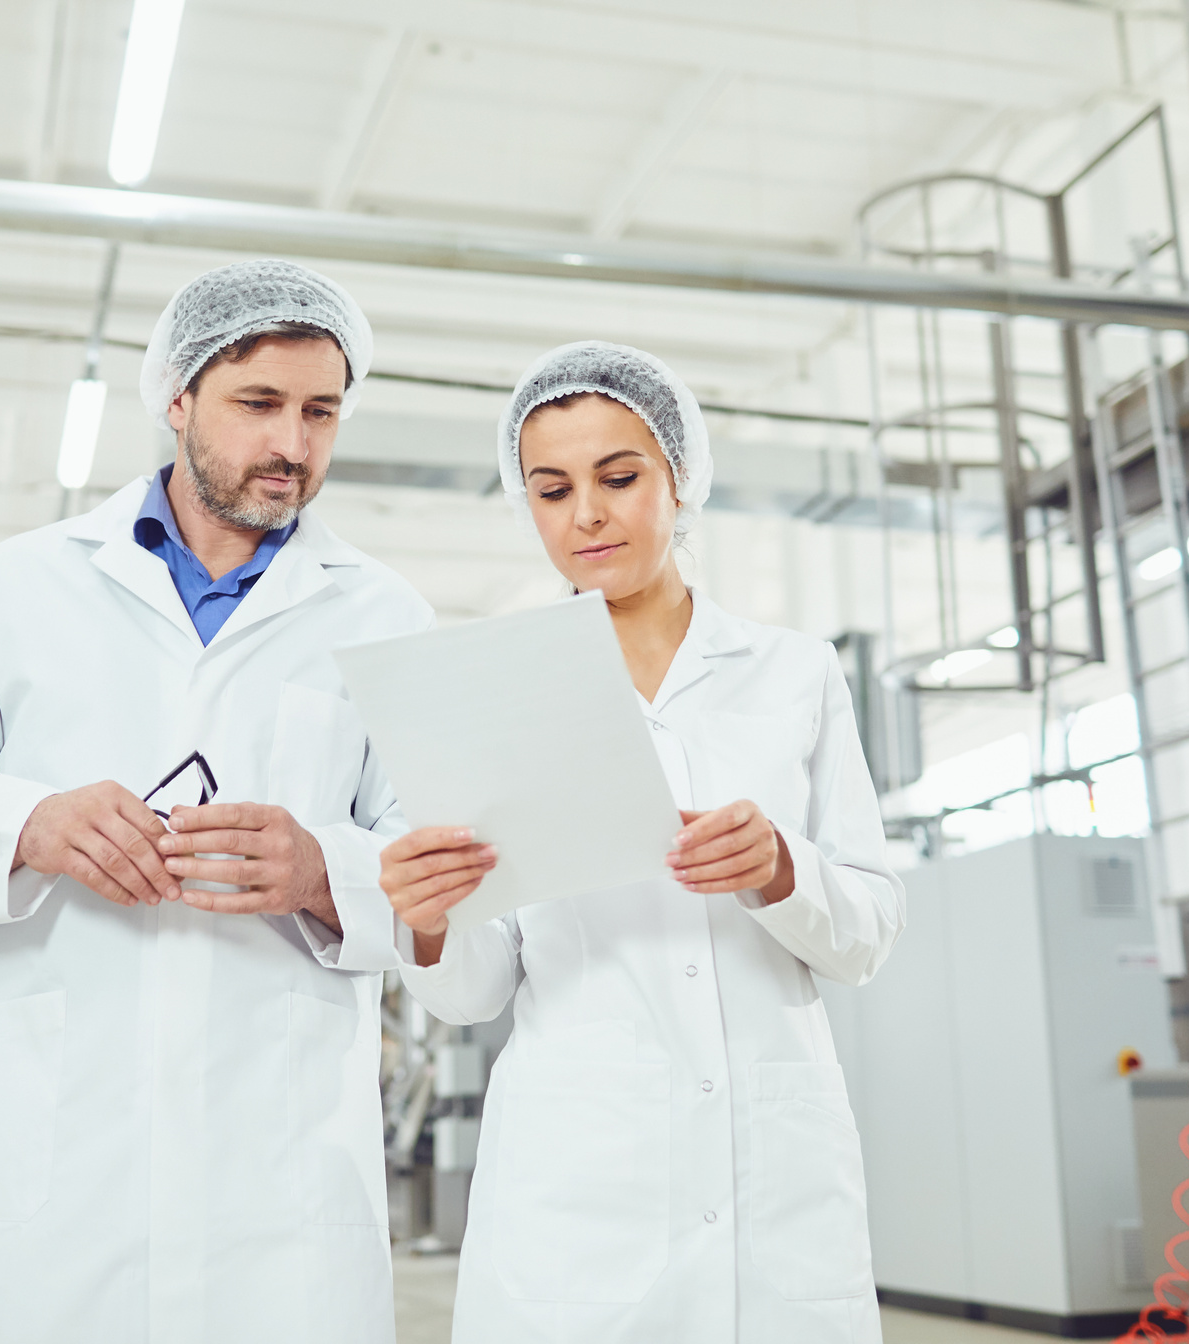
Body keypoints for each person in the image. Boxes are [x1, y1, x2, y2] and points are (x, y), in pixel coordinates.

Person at [0, 260, 430, 1344]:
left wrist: (319, 871)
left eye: (320, 411)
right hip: (62, 1169)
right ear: (178, 398)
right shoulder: (19, 587)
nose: (293, 443)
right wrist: (25, 823)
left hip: (281, 1180)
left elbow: (445, 871)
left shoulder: (385, 616)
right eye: (259, 404)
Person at [378, 341, 906, 1342]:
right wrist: (432, 920)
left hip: (769, 1157)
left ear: (680, 477)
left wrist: (784, 871)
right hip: (581, 1175)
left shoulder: (793, 675)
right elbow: (479, 987)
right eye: (551, 489)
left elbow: (869, 933)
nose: (586, 513)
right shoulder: (495, 693)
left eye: (619, 477)